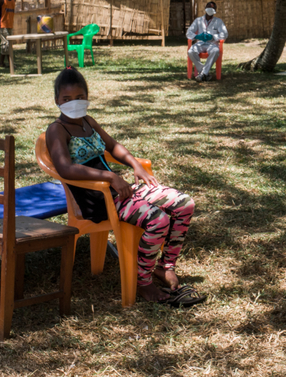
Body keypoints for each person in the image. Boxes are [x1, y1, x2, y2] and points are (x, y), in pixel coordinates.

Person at [45, 67, 206, 307]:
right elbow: (65, 168)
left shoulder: (88, 121)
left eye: (79, 98)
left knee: (184, 204)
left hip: (120, 192)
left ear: (87, 97)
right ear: (56, 100)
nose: (74, 103)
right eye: (67, 99)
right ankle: (143, 282)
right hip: (98, 200)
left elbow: (112, 146)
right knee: (158, 220)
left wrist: (134, 164)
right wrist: (109, 177)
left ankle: (165, 267)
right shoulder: (57, 130)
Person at [186, 1, 228, 81]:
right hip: (200, 43)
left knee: (215, 51)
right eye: (208, 7)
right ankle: (205, 73)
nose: (210, 9)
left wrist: (213, 37)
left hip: (212, 44)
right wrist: (197, 36)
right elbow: (188, 32)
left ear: (215, 10)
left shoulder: (218, 21)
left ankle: (203, 74)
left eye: (212, 8)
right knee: (191, 51)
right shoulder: (198, 20)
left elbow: (225, 34)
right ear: (205, 8)